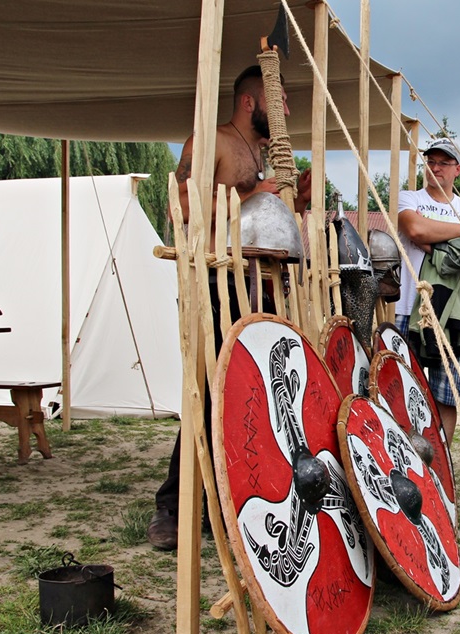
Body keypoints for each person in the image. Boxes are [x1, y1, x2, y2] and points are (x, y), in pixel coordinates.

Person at [147, 65, 311, 551]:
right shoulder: (211, 141)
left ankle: (224, 498)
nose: (284, 112)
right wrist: (252, 194)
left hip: (257, 286)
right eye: (277, 102)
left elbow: (264, 225)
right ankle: (173, 506)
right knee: (207, 392)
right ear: (249, 102)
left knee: (245, 394)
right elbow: (181, 207)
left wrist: (295, 202)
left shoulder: (259, 154)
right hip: (216, 284)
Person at [396, 137, 460, 442]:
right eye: (431, 161)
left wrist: (431, 236)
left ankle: (440, 460)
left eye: (444, 163)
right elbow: (415, 229)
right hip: (406, 306)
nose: (435, 168)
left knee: (446, 394)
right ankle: (408, 457)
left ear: (457, 169)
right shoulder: (408, 198)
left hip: (453, 313)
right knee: (402, 387)